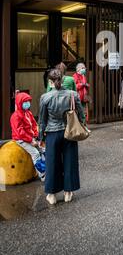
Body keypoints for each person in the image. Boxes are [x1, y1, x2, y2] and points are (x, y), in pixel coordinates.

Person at [39, 69, 85, 205]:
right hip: (69, 131)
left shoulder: (45, 97)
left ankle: (52, 194)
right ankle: (68, 192)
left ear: (50, 81)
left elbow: (42, 120)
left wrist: (40, 137)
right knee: (70, 161)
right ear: (62, 79)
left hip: (52, 133)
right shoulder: (73, 94)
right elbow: (81, 114)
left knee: (52, 163)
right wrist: (82, 125)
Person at [10, 92, 46, 181]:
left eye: (28, 101)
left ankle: (46, 168)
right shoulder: (16, 116)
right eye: (25, 102)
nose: (27, 103)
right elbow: (20, 132)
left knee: (44, 149)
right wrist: (31, 140)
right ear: (19, 103)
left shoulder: (28, 113)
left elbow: (34, 124)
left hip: (30, 138)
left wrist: (36, 135)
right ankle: (42, 174)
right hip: (21, 139)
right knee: (35, 153)